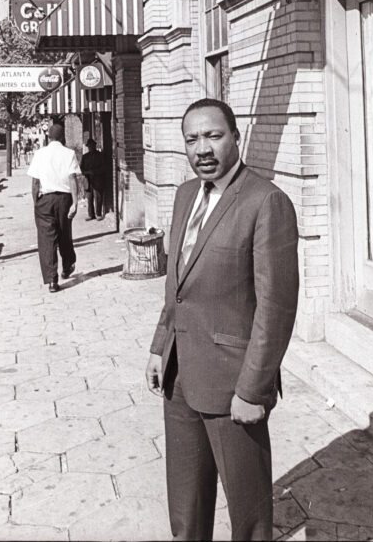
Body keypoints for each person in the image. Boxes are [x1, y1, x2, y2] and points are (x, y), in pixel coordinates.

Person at [146, 98, 299, 541]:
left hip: (234, 386)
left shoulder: (266, 201)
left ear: (236, 136)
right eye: (191, 139)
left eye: (213, 135)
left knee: (248, 518)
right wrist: (160, 347)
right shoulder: (184, 195)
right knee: (186, 510)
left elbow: (276, 307)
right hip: (179, 378)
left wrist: (253, 389)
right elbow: (179, 284)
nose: (202, 149)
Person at [27, 122, 79, 293]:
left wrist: (36, 202)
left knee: (47, 240)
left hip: (45, 200)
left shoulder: (39, 154)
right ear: (63, 137)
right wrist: (75, 202)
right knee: (65, 234)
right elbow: (73, 179)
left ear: (48, 137)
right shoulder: (69, 153)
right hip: (64, 199)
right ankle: (67, 265)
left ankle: (52, 281)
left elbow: (35, 182)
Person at [80, 138, 106, 221]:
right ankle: (91, 214)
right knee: (89, 197)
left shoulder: (100, 155)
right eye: (89, 146)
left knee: (98, 197)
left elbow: (103, 168)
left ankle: (98, 213)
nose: (91, 147)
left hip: (97, 179)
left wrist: (94, 172)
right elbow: (81, 169)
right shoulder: (85, 157)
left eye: (92, 146)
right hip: (88, 180)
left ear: (95, 146)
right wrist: (87, 172)